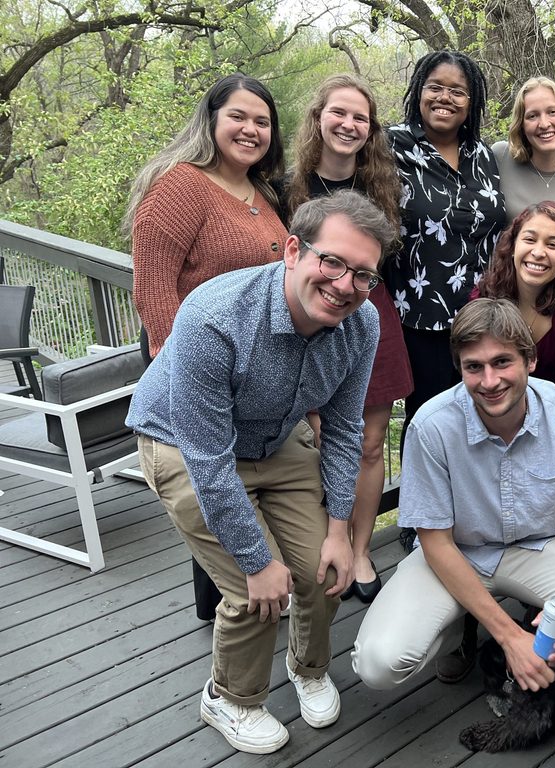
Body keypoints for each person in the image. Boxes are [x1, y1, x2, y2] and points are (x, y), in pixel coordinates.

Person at [126, 191, 395, 754]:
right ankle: (231, 697)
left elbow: (345, 430)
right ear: (294, 250)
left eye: (363, 274)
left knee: (325, 567)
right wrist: (255, 560)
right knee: (256, 591)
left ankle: (308, 665)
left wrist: (342, 531)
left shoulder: (362, 322)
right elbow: (207, 458)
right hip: (182, 442)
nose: (346, 284)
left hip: (278, 438)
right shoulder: (214, 316)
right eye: (334, 262)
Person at [352, 298, 555, 692]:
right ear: (460, 369)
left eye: (502, 362)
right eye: (474, 367)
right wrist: (508, 638)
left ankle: (531, 623)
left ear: (531, 361)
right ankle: (461, 626)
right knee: (378, 665)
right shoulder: (432, 426)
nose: (490, 381)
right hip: (457, 553)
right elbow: (434, 543)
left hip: (537, 547)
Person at [124, 72, 288, 622]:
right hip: (195, 365)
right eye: (238, 116)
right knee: (209, 474)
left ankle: (248, 591)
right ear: (211, 120)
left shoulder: (262, 192)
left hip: (252, 370)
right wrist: (186, 368)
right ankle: (227, 602)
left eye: (262, 121)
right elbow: (151, 288)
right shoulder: (180, 185)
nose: (250, 129)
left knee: (237, 477)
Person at [286, 73, 413, 603]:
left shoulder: (380, 186)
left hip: (369, 313)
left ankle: (360, 550)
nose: (349, 124)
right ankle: (313, 547)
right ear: (319, 117)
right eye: (339, 112)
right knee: (316, 441)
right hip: (307, 323)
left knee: (369, 443)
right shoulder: (285, 186)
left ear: (370, 129)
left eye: (360, 117)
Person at [386, 50, 506, 442]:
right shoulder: (389, 147)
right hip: (421, 317)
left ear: (472, 103)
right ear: (418, 90)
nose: (444, 98)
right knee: (428, 421)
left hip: (482, 313)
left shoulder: (484, 154)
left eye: (458, 91)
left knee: (483, 418)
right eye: (435, 87)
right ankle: (422, 504)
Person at [474, 201, 555, 419]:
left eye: (553, 245)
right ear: (513, 247)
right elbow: (477, 376)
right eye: (529, 240)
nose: (538, 252)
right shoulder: (485, 296)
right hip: (497, 413)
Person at [491, 77, 555, 225]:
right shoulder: (500, 157)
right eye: (532, 116)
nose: (544, 124)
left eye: (552, 112)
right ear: (521, 125)